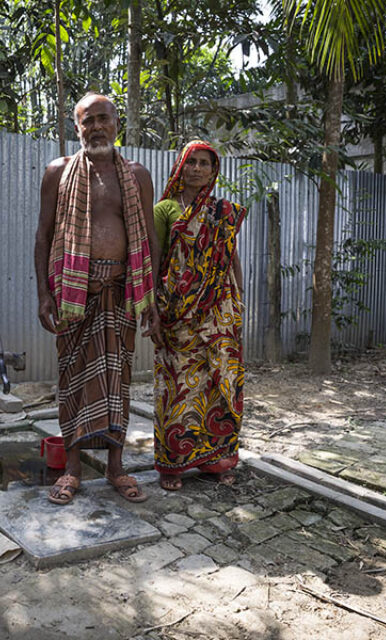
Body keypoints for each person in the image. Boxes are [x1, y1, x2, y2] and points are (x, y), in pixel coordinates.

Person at [33, 93, 162, 506]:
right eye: (88, 121)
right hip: (73, 294)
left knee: (116, 382)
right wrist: (42, 294)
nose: (96, 127)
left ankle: (116, 467)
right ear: (77, 128)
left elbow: (149, 239)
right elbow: (44, 235)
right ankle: (72, 470)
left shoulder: (137, 175)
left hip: (121, 293)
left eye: (103, 119)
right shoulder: (59, 172)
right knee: (72, 380)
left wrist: (152, 297)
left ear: (117, 124)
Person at [152, 140, 246, 491]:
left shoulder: (222, 211)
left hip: (220, 312)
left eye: (205, 163)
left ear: (213, 170)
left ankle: (215, 460)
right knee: (176, 388)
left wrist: (238, 303)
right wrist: (155, 314)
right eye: (192, 162)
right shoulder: (164, 209)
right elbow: (157, 263)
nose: (197, 169)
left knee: (220, 384)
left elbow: (231, 259)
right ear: (180, 165)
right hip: (178, 313)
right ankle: (172, 464)